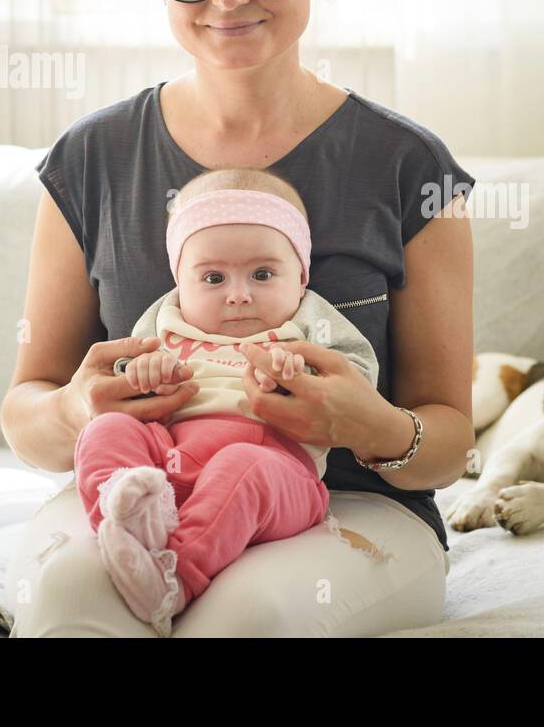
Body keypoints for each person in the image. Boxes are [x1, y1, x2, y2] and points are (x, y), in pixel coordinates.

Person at [1, 0, 476, 637]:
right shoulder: (91, 159)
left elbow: (448, 440)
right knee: (74, 595)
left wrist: (366, 425)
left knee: (246, 613)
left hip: (347, 513)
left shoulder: (410, 167)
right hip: (144, 485)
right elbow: (26, 409)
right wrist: (79, 409)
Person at [79, 167, 383, 636]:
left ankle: (175, 574)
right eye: (214, 277)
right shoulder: (166, 320)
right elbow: (125, 375)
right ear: (180, 280)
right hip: (167, 461)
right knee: (104, 431)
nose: (239, 296)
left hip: (276, 470)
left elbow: (357, 380)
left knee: (243, 464)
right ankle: (125, 520)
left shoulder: (307, 323)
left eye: (263, 274)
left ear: (300, 276)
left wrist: (300, 374)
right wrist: (143, 374)